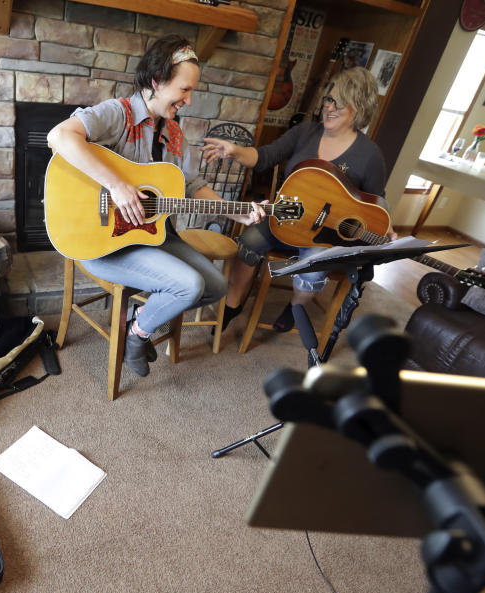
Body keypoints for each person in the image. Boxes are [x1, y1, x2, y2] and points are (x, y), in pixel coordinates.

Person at [46, 35, 265, 378]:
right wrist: (117, 185)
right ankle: (138, 335)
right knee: (189, 285)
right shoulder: (118, 114)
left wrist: (236, 211)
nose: (189, 100)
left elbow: (192, 186)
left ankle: (137, 323)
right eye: (184, 90)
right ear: (156, 81)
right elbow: (59, 136)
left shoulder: (175, 135)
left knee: (216, 286)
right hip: (103, 240)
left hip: (152, 234)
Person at [201, 65, 387, 366]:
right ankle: (232, 306)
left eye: (337, 103)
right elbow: (264, 156)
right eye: (328, 100)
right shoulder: (305, 133)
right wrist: (234, 150)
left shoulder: (370, 156)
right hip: (283, 220)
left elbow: (375, 204)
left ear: (358, 108)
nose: (328, 108)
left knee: (311, 271)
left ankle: (295, 307)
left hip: (323, 236)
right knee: (248, 241)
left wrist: (376, 225)